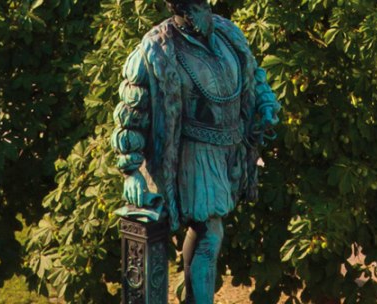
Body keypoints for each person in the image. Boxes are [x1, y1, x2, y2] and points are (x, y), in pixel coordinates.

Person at [110, 0, 280, 302]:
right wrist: (130, 171)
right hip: (189, 154)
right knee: (210, 232)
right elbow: (131, 113)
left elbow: (254, 75)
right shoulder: (155, 48)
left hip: (227, 151)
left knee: (207, 232)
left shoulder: (229, 34)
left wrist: (266, 103)